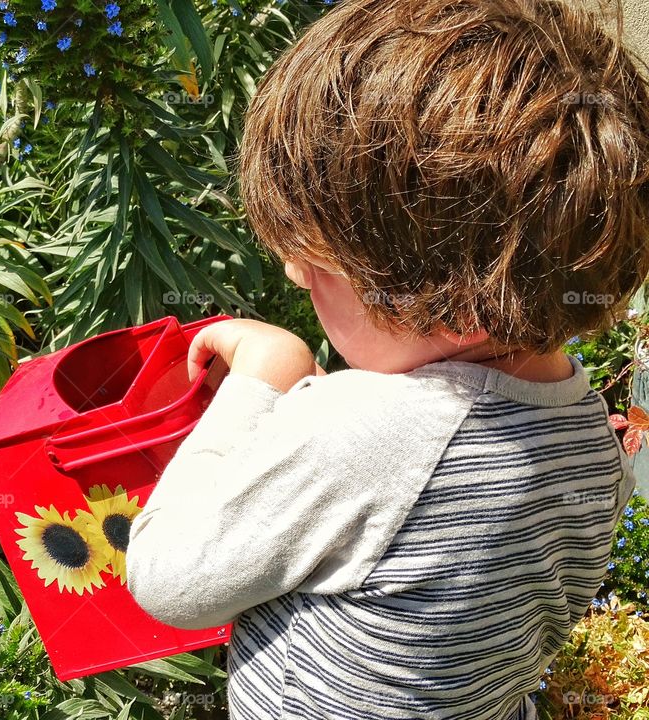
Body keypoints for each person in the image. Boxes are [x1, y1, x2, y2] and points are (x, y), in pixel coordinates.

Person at [124, 0, 649, 717]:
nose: (291, 276)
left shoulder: (367, 433)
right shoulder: (593, 438)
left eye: (316, 262)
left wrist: (263, 376)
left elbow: (168, 579)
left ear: (459, 300)